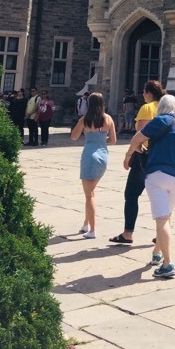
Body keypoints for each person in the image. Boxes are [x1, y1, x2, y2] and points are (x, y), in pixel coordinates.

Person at [123, 94, 175, 279]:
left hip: (158, 175)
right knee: (167, 216)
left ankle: (167, 264)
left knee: (162, 219)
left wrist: (131, 154)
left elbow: (136, 139)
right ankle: (157, 252)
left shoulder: (159, 121)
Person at [110, 79, 166, 245]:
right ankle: (161, 233)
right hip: (163, 157)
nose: (142, 95)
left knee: (132, 194)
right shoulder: (165, 108)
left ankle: (128, 233)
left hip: (145, 157)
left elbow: (140, 136)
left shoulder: (147, 108)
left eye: (144, 92)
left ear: (148, 93)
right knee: (160, 197)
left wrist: (130, 155)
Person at [71, 92, 117, 239]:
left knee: (88, 195)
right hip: (103, 155)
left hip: (89, 155)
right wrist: (102, 139)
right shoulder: (108, 118)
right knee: (91, 192)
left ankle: (92, 229)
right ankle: (86, 223)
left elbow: (74, 137)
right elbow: (113, 140)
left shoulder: (85, 119)